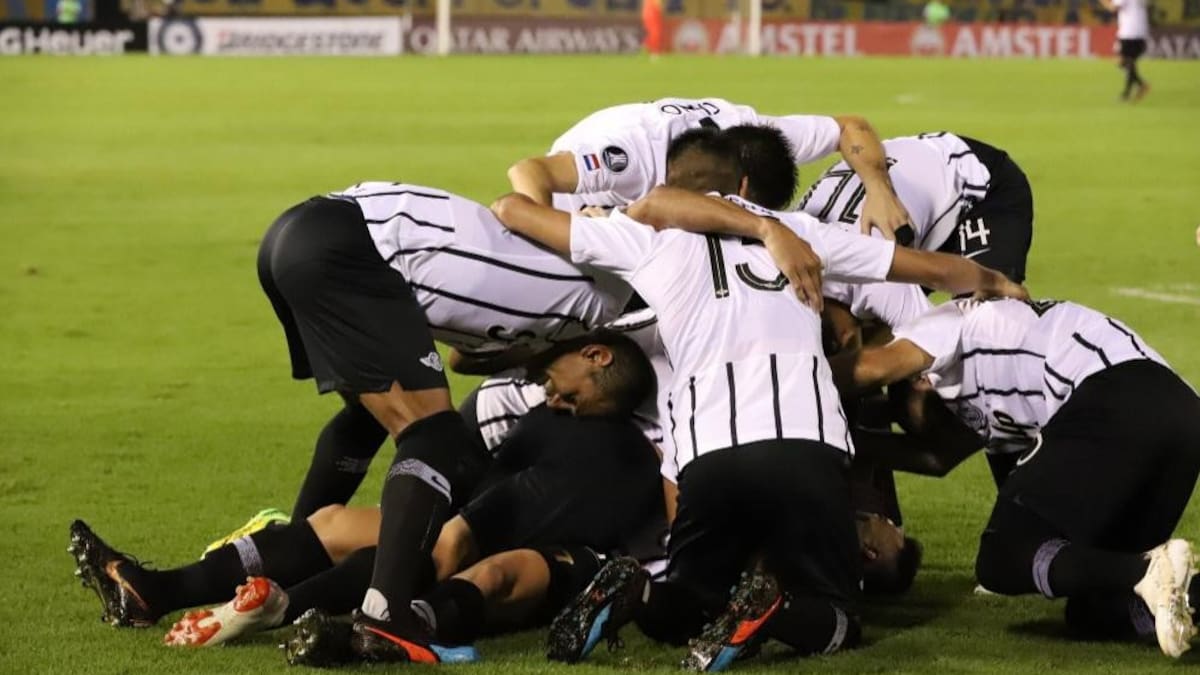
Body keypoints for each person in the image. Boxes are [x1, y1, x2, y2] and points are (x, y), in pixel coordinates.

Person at [488, 141, 1026, 670]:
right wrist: (999, 282)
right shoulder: (805, 235)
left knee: (687, 608)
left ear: (676, 183)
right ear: (744, 185)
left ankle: (639, 591)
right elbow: (931, 270)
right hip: (804, 443)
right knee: (836, 618)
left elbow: (513, 209)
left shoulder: (645, 240)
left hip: (706, 452)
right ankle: (776, 607)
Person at [70, 333, 659, 643]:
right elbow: (468, 364)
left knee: (436, 549)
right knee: (336, 524)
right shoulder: (543, 374)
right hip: (506, 484)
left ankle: (277, 608)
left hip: (561, 519)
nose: (554, 397)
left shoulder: (623, 426)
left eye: (568, 397)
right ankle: (158, 590)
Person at [830, 297, 1200, 658]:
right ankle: (1174, 585)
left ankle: (1149, 568)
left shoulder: (935, 332)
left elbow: (875, 368)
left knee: (1000, 558)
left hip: (1119, 397)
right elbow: (941, 457)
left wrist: (791, 379)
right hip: (1180, 420)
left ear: (922, 381)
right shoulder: (994, 394)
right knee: (1098, 610)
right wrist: (847, 443)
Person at [508, 98, 916, 241]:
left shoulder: (755, 136)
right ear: (739, 187)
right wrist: (557, 244)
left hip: (640, 220)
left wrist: (879, 191)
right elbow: (529, 173)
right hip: (577, 224)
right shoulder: (630, 156)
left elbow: (849, 127)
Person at [799, 131, 1033, 283]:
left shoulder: (871, 274)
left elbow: (919, 345)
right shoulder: (785, 249)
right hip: (914, 177)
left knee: (990, 319)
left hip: (977, 180)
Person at [1101, 0, 1151, 101]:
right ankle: (1126, 94)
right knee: (1130, 63)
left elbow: (1113, 8)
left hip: (1129, 32)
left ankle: (1141, 85)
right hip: (1141, 32)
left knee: (1122, 61)